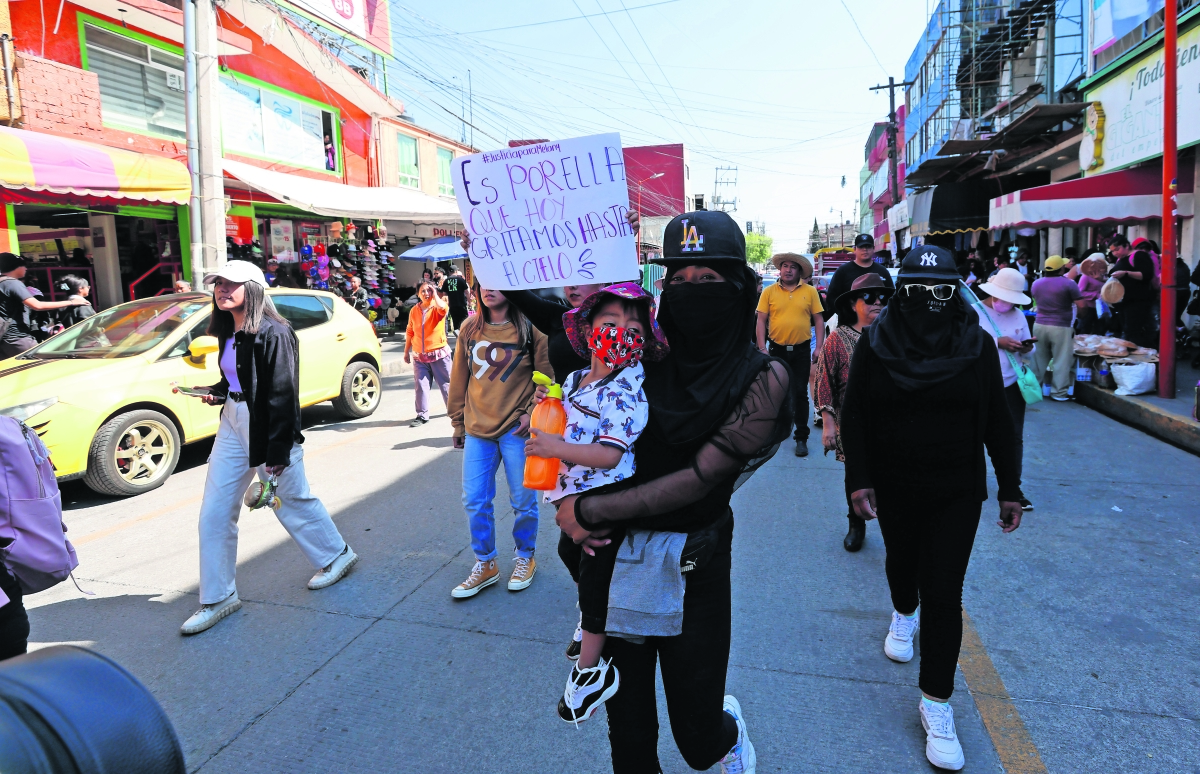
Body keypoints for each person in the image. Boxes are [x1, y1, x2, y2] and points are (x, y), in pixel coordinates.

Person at [554, 210, 791, 773]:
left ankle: (729, 737)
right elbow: (560, 336)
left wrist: (583, 509)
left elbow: (700, 479)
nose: (691, 292)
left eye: (708, 280)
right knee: (629, 736)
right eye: (678, 279)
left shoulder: (764, 377)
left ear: (740, 288)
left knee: (697, 738)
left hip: (693, 565)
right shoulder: (641, 355)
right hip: (614, 559)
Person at [839, 244, 1022, 772]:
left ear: (957, 294)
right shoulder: (876, 344)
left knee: (944, 590)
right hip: (895, 485)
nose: (929, 301)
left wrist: (1010, 486)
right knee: (902, 567)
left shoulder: (979, 346)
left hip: (956, 490)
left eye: (942, 291)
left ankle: (936, 702)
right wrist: (860, 478)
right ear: (902, 294)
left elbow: (998, 424)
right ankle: (902, 611)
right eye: (917, 290)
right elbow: (857, 416)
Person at [178, 261, 358, 636]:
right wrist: (219, 392)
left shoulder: (275, 332)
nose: (222, 290)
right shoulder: (229, 328)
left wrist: (277, 453)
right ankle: (218, 597)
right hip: (232, 421)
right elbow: (238, 376)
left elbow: (282, 395)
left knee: (289, 498)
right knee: (214, 510)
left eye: (231, 284)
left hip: (267, 424)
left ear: (254, 288)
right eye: (218, 284)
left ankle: (336, 555)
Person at [523, 283, 669, 724]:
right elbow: (565, 422)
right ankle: (589, 621)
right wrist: (546, 410)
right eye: (609, 324)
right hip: (574, 492)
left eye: (633, 327)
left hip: (605, 497)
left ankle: (590, 670)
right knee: (571, 551)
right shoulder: (574, 380)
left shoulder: (626, 391)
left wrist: (554, 449)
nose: (620, 333)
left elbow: (609, 454)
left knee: (595, 582)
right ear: (588, 332)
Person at [447, 281, 550, 598]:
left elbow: (546, 378)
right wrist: (457, 422)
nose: (488, 290)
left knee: (523, 501)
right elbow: (459, 379)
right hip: (478, 429)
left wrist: (530, 413)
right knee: (475, 501)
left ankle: (525, 557)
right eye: (482, 285)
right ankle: (486, 562)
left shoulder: (533, 328)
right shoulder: (469, 327)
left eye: (497, 284)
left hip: (517, 430)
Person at [814, 273, 891, 552]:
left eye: (883, 297)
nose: (877, 302)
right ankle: (856, 524)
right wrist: (829, 424)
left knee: (888, 473)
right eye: (869, 297)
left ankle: (890, 523)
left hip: (890, 421)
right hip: (852, 422)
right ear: (853, 304)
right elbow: (824, 381)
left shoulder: (894, 336)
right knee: (856, 474)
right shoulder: (837, 339)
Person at [976, 268, 1036, 511]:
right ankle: (973, 483)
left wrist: (1024, 348)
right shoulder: (974, 313)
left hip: (1011, 385)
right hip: (980, 384)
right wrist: (997, 342)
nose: (1009, 304)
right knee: (974, 436)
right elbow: (965, 345)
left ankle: (1012, 487)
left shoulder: (1019, 315)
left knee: (1013, 438)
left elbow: (1030, 350)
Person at [756, 252, 824, 457]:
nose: (787, 270)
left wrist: (818, 347)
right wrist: (762, 348)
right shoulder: (769, 292)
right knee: (776, 392)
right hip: (776, 350)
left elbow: (819, 320)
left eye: (792, 267)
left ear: (799, 271)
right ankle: (776, 431)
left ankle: (801, 437)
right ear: (780, 269)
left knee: (800, 394)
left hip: (802, 350)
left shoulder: (810, 292)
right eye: (784, 266)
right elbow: (760, 321)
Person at [0, 253, 87, 359]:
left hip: (3, 337)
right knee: (42, 366)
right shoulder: (12, 283)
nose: (26, 269)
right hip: (17, 338)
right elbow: (37, 305)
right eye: (24, 265)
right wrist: (72, 302)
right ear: (15, 266)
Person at [1029, 255, 1086, 401]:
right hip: (1061, 326)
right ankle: (1058, 393)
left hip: (1039, 325)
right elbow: (1081, 305)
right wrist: (1081, 317)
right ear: (1060, 268)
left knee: (1038, 360)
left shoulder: (1036, 283)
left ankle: (1034, 390)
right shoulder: (1069, 284)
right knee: (1061, 360)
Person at [404, 281, 452, 428]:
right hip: (420, 356)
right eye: (423, 291)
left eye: (429, 291)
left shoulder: (438, 307)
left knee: (446, 384)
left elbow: (443, 308)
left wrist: (436, 294)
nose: (426, 294)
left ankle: (454, 411)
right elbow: (410, 331)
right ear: (418, 294)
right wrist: (406, 351)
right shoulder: (414, 310)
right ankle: (422, 415)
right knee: (421, 385)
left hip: (439, 354)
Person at [826, 234, 895, 325]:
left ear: (873, 249)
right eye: (861, 247)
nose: (865, 250)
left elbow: (891, 297)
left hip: (876, 325)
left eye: (868, 246)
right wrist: (845, 314)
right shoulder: (843, 271)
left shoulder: (882, 271)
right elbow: (831, 297)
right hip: (849, 325)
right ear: (855, 249)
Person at [1108, 235, 1157, 348]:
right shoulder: (1121, 259)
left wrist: (1126, 273)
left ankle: (1144, 357)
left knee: (1133, 331)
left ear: (1126, 245)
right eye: (1112, 251)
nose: (1115, 253)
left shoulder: (1139, 256)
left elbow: (1146, 275)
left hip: (1138, 301)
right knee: (1127, 330)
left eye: (1117, 249)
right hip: (1124, 301)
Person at [1076, 253, 1107, 334]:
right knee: (1085, 330)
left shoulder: (1103, 276)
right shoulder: (1085, 276)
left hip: (1100, 308)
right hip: (1088, 308)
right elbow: (1080, 292)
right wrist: (1095, 295)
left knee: (1099, 330)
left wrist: (1101, 280)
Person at [442, 264, 471, 332]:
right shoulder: (461, 280)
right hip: (461, 303)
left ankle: (458, 336)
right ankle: (465, 334)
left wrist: (447, 303)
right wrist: (469, 301)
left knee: (455, 321)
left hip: (452, 305)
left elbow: (444, 294)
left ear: (449, 271)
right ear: (456, 271)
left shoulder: (446, 281)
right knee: (464, 321)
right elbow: (466, 292)